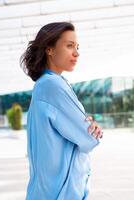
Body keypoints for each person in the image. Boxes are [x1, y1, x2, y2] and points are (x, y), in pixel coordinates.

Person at [20, 22, 103, 200]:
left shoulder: (43, 85)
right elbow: (88, 139)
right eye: (69, 45)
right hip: (60, 193)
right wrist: (92, 131)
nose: (76, 53)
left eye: (77, 47)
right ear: (49, 49)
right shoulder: (54, 86)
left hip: (44, 190)